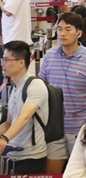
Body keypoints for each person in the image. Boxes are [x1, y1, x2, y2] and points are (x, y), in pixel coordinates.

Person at [40, 12, 86, 172]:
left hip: (81, 127)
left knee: (82, 171)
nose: (62, 34)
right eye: (59, 29)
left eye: (68, 29)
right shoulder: (49, 56)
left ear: (79, 33)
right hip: (55, 128)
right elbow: (41, 87)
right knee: (52, 173)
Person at [0, 40, 50, 173]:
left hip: (31, 158)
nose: (2, 64)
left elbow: (25, 116)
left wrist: (4, 138)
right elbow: (9, 123)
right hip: (11, 156)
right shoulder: (13, 88)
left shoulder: (35, 85)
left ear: (21, 62)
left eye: (6, 59)